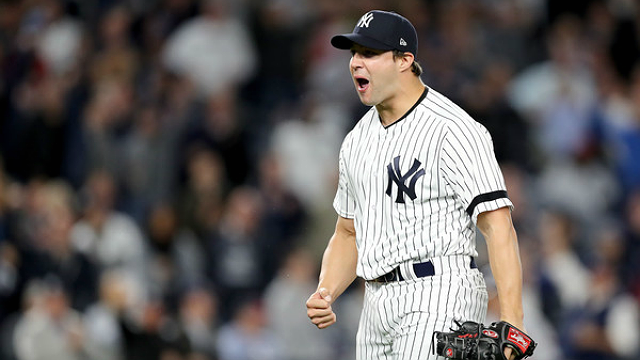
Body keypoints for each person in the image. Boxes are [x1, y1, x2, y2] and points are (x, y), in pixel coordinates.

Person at [305, 10, 529, 360]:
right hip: (375, 302)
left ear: (404, 60)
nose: (355, 63)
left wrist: (512, 321)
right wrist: (326, 291)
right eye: (354, 54)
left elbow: (498, 225)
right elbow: (348, 232)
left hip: (439, 290)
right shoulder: (356, 140)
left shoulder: (452, 129)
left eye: (369, 53)